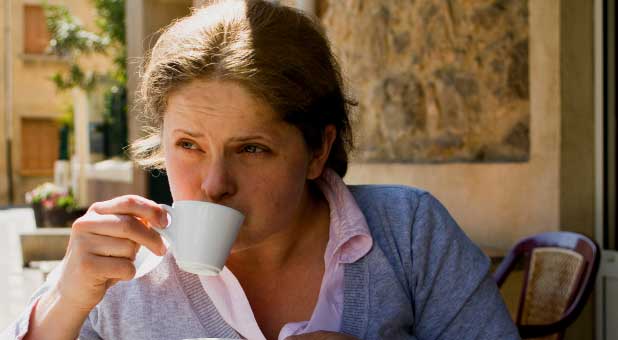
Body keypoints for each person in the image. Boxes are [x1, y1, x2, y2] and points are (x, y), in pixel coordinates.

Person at [4, 1, 520, 339]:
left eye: (251, 148)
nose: (213, 184)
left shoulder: (408, 233)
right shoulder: (122, 274)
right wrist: (64, 304)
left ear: (318, 150)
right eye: (188, 145)